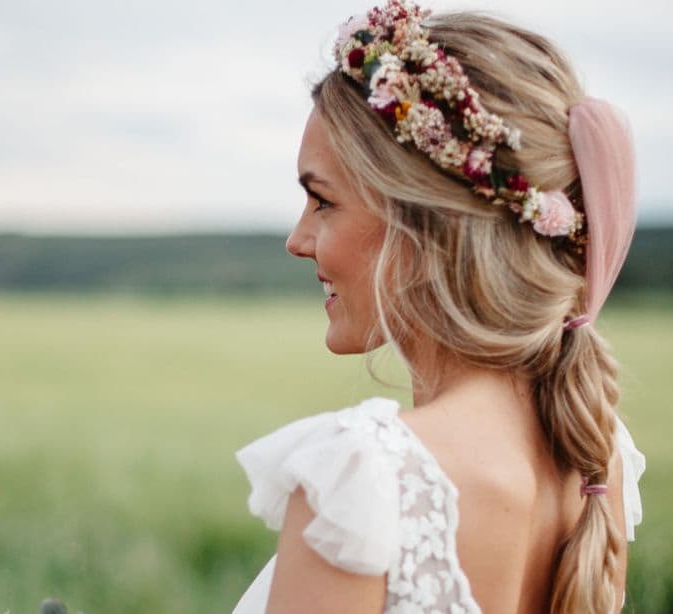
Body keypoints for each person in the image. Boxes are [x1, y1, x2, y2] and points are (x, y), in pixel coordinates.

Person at [233, 2, 646, 612]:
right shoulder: (590, 455)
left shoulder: (367, 476)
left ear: (425, 220)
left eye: (322, 201)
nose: (298, 240)